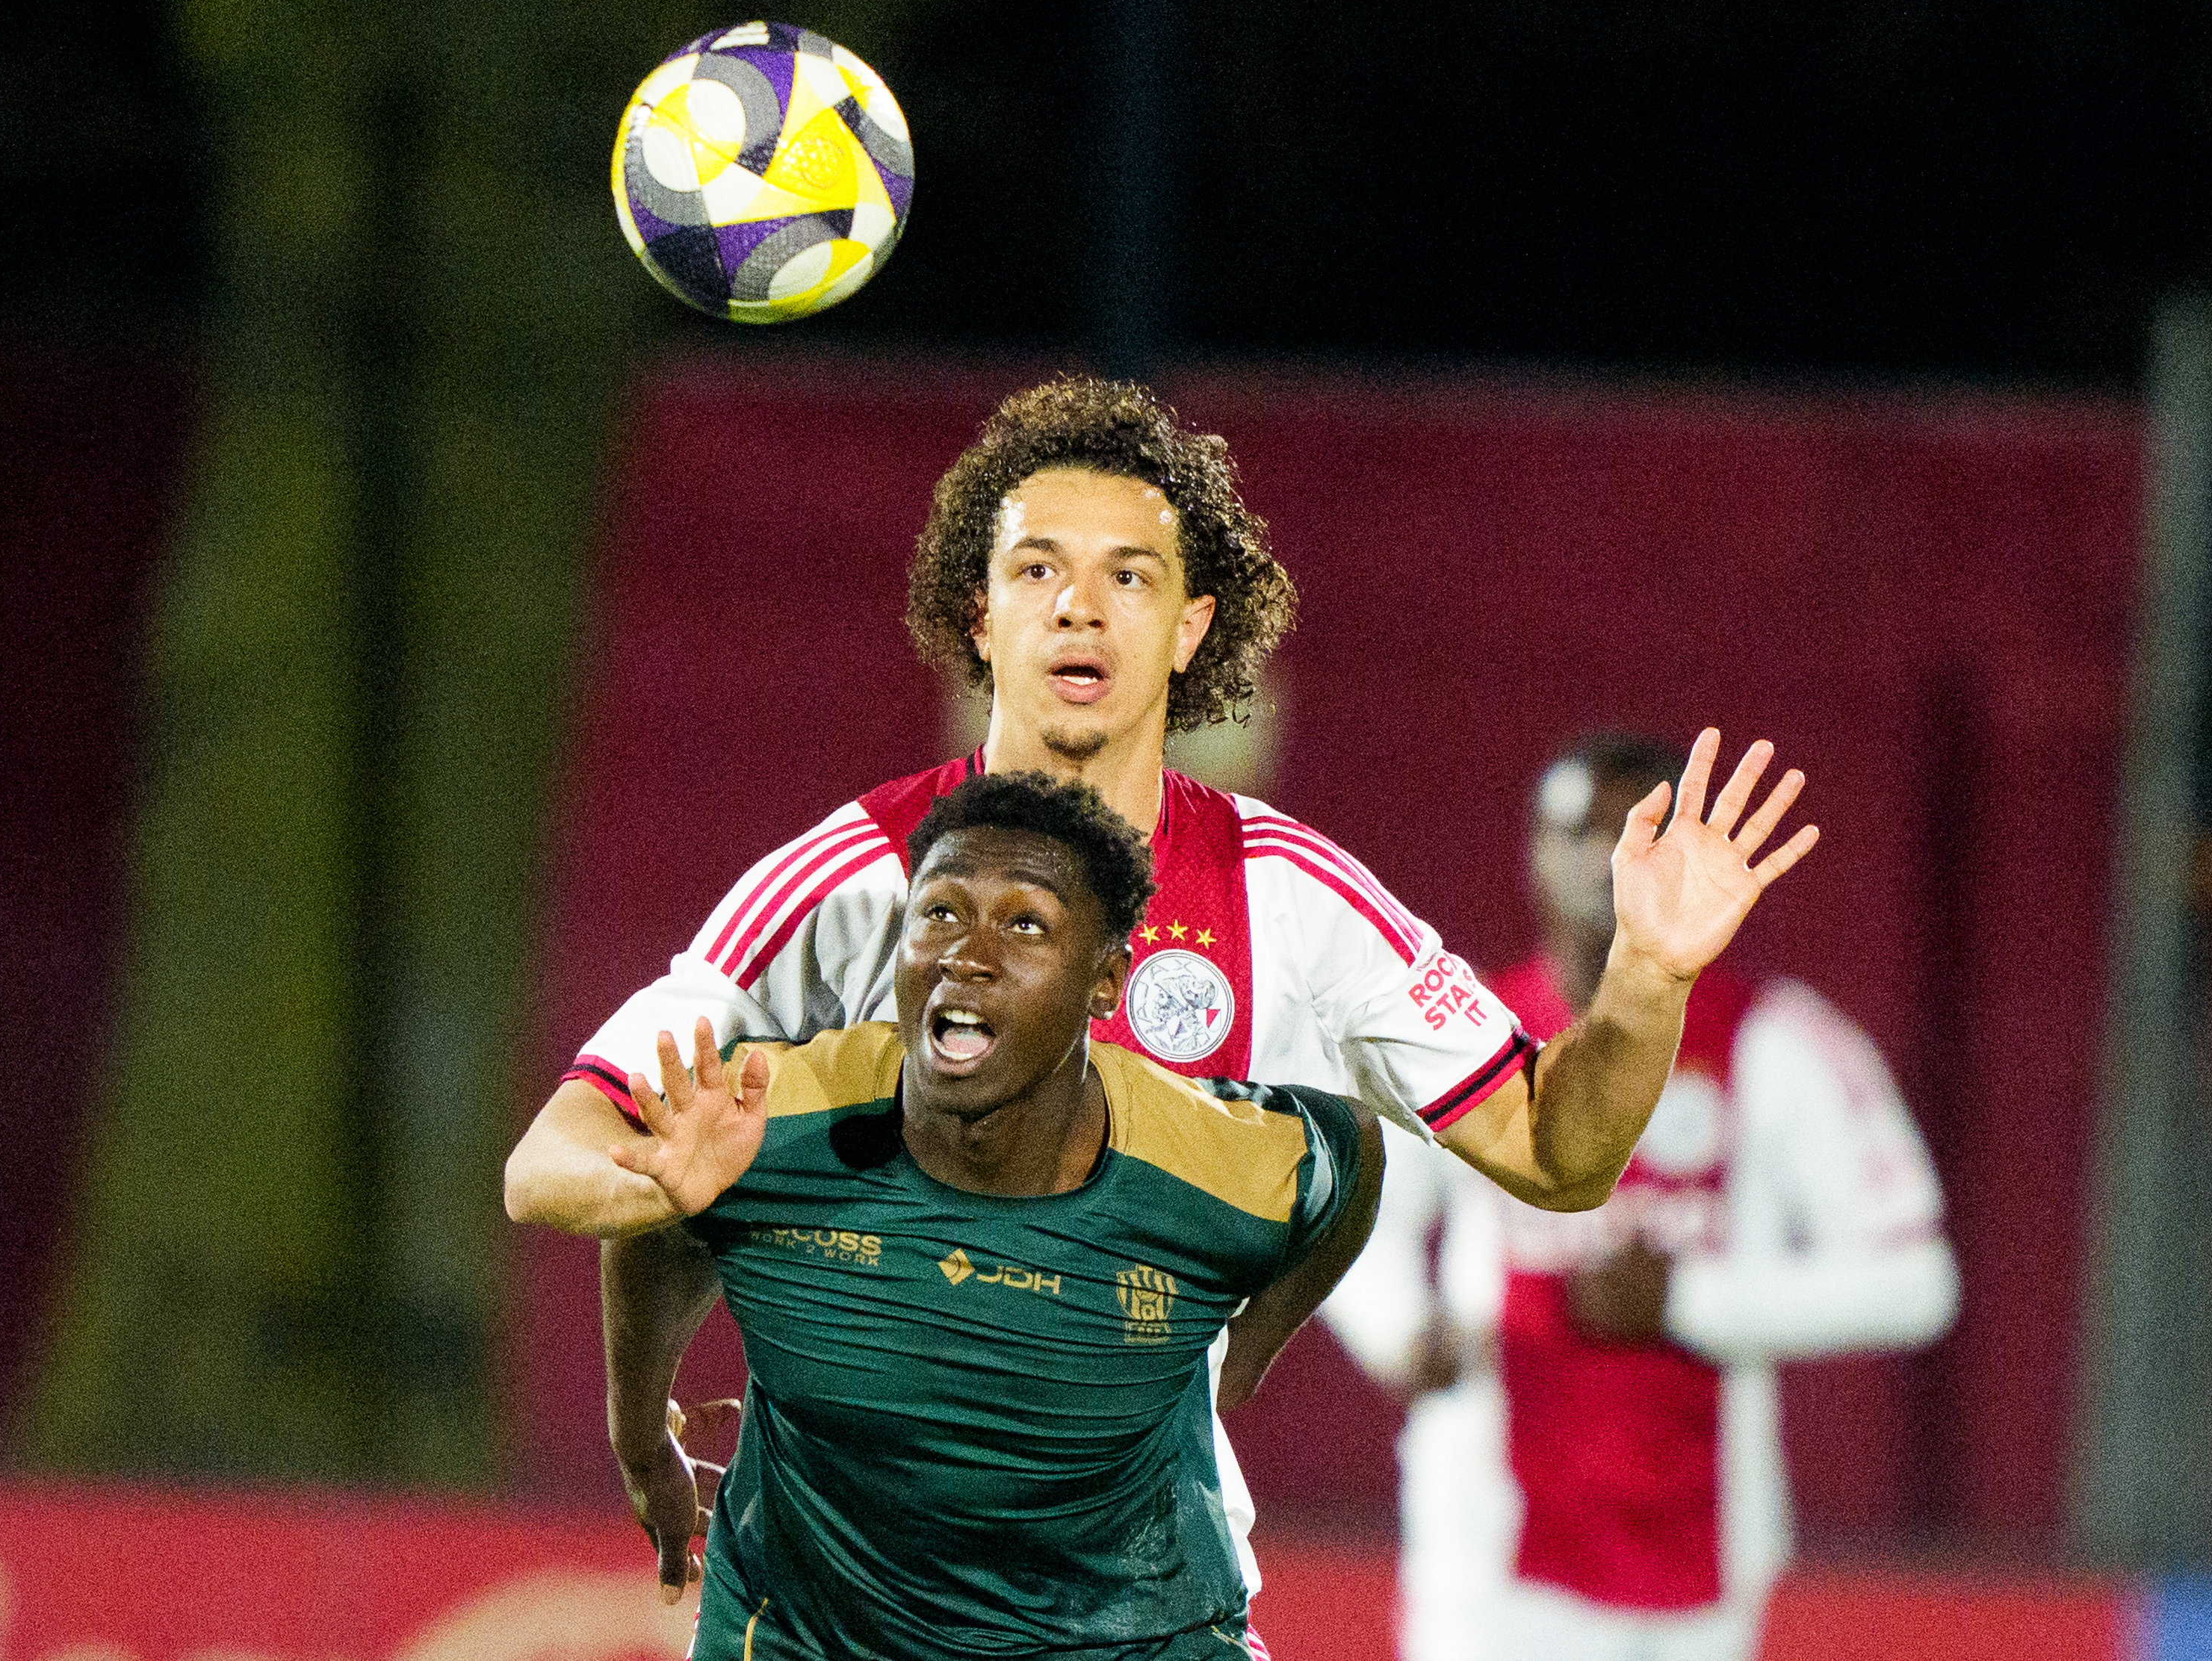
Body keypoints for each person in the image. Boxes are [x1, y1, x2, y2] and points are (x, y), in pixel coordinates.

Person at [502, 378, 1820, 1605]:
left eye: (1127, 575)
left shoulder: (1291, 895)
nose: (1079, 607)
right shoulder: (846, 879)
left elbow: (1553, 1150)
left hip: (1137, 1594)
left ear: (1191, 627)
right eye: (1037, 570)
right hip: (845, 1590)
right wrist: (661, 1229)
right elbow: (558, 1156)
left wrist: (1647, 974)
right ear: (979, 614)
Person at [509, 772, 1386, 1660]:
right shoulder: (770, 1118)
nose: (968, 953)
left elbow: (1353, 1153)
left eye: (1025, 924)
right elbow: (652, 1220)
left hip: (1134, 1638)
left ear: (1106, 981)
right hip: (806, 1637)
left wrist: (1244, 1355)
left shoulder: (1206, 1162)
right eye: (939, 913)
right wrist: (639, 1440)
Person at [1325, 732, 1959, 1661]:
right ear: (1531, 853)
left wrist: (1690, 1302)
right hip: (1490, 1548)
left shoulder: (1779, 1042)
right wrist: (1397, 1327)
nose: (1603, 859)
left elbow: (1916, 1282)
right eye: (1577, 832)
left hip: (1702, 1551)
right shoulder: (1456, 1032)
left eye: (1640, 831)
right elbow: (1346, 1210)